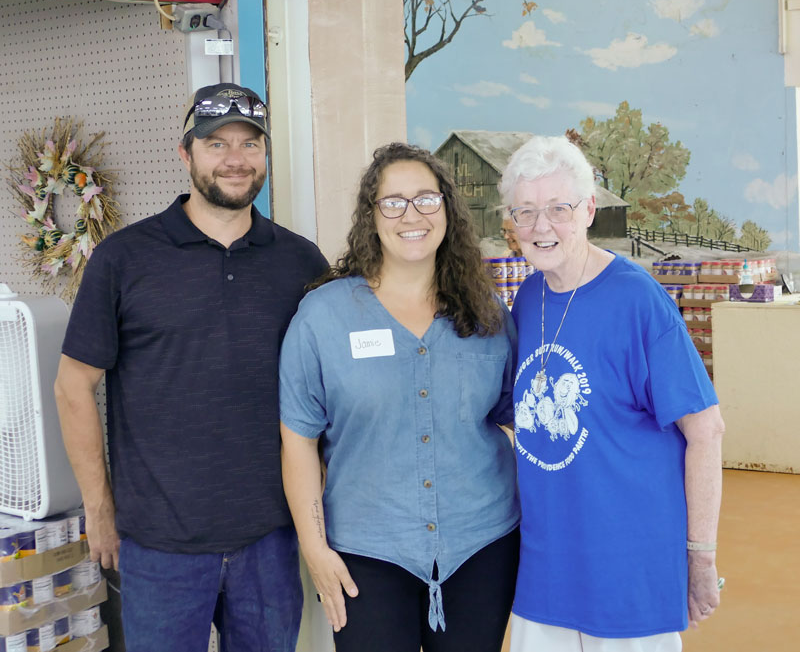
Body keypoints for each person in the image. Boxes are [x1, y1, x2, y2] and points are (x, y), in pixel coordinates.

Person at [53, 82, 329, 652]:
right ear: (185, 154)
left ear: (266, 154)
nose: (235, 159)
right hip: (159, 545)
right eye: (216, 144)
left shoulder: (301, 262)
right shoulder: (123, 259)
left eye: (250, 144)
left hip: (270, 540)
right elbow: (73, 386)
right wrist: (99, 509)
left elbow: (331, 390)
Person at [279, 143, 520, 652]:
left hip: (481, 545)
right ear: (372, 215)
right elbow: (298, 440)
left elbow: (513, 416)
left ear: (447, 210)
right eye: (393, 202)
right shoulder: (322, 317)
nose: (412, 215)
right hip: (367, 554)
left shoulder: (488, 313)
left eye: (426, 199)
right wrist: (315, 550)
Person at [500, 135, 725, 652]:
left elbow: (706, 431)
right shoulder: (529, 295)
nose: (541, 226)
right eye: (525, 211)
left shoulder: (637, 299)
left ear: (588, 211)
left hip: (627, 567)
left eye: (559, 208)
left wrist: (700, 556)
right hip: (545, 569)